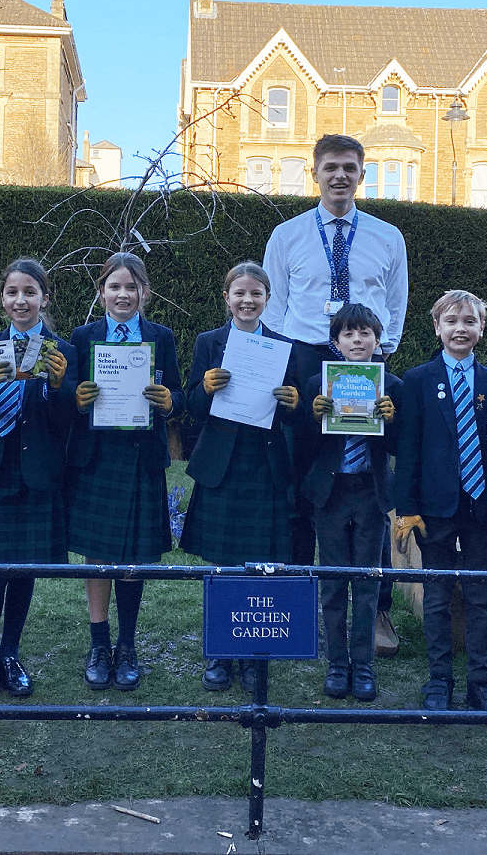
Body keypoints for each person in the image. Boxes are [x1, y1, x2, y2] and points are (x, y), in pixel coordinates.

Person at [261, 133, 409, 652]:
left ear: (362, 174)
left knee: (369, 486)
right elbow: (275, 304)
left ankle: (379, 613)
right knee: (306, 486)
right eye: (331, 168)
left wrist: (375, 357)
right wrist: (291, 366)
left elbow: (395, 303)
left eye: (349, 167)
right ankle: (304, 607)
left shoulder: (389, 236)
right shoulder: (287, 235)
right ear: (315, 172)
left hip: (363, 363)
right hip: (306, 358)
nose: (340, 176)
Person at [392, 290, 487, 715]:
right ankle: (439, 681)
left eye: (469, 321)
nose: (459, 329)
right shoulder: (417, 381)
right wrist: (406, 508)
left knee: (482, 598)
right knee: (437, 596)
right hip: (434, 512)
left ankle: (483, 683)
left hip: (482, 509)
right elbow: (407, 450)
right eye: (451, 321)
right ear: (436, 328)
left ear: (481, 329)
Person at [181, 260, 302, 693]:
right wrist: (206, 388)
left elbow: (297, 409)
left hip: (264, 464)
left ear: (267, 299)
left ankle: (252, 654)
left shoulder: (283, 345)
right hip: (222, 465)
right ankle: (218, 652)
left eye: (256, 294)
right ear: (227, 298)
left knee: (257, 567)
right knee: (221, 566)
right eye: (240, 293)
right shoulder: (208, 342)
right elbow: (190, 406)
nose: (247, 300)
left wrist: (292, 400)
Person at [67, 253, 184, 692]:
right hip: (97, 458)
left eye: (131, 287)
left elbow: (178, 391)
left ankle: (128, 646)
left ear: (144, 294)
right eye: (114, 286)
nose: (122, 294)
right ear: (101, 293)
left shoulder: (161, 337)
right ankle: (99, 644)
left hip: (140, 458)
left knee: (133, 557)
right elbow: (69, 400)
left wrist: (169, 401)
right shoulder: (83, 337)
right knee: (97, 555)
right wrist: (78, 398)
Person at [0, 258, 78, 699]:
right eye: (13, 292)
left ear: (44, 298)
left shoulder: (60, 349)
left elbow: (69, 419)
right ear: (3, 300)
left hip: (37, 471)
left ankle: (10, 653)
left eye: (30, 292)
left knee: (24, 569)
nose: (21, 300)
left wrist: (57, 387)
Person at [298, 303, 400, 703]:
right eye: (348, 334)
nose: (357, 341)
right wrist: (312, 416)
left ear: (378, 339)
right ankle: (337, 663)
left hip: (370, 492)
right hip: (331, 492)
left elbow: (398, 446)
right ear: (336, 343)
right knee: (333, 580)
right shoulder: (316, 385)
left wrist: (390, 421)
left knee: (368, 580)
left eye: (365, 334)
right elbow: (304, 445)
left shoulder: (392, 385)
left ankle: (365, 664)